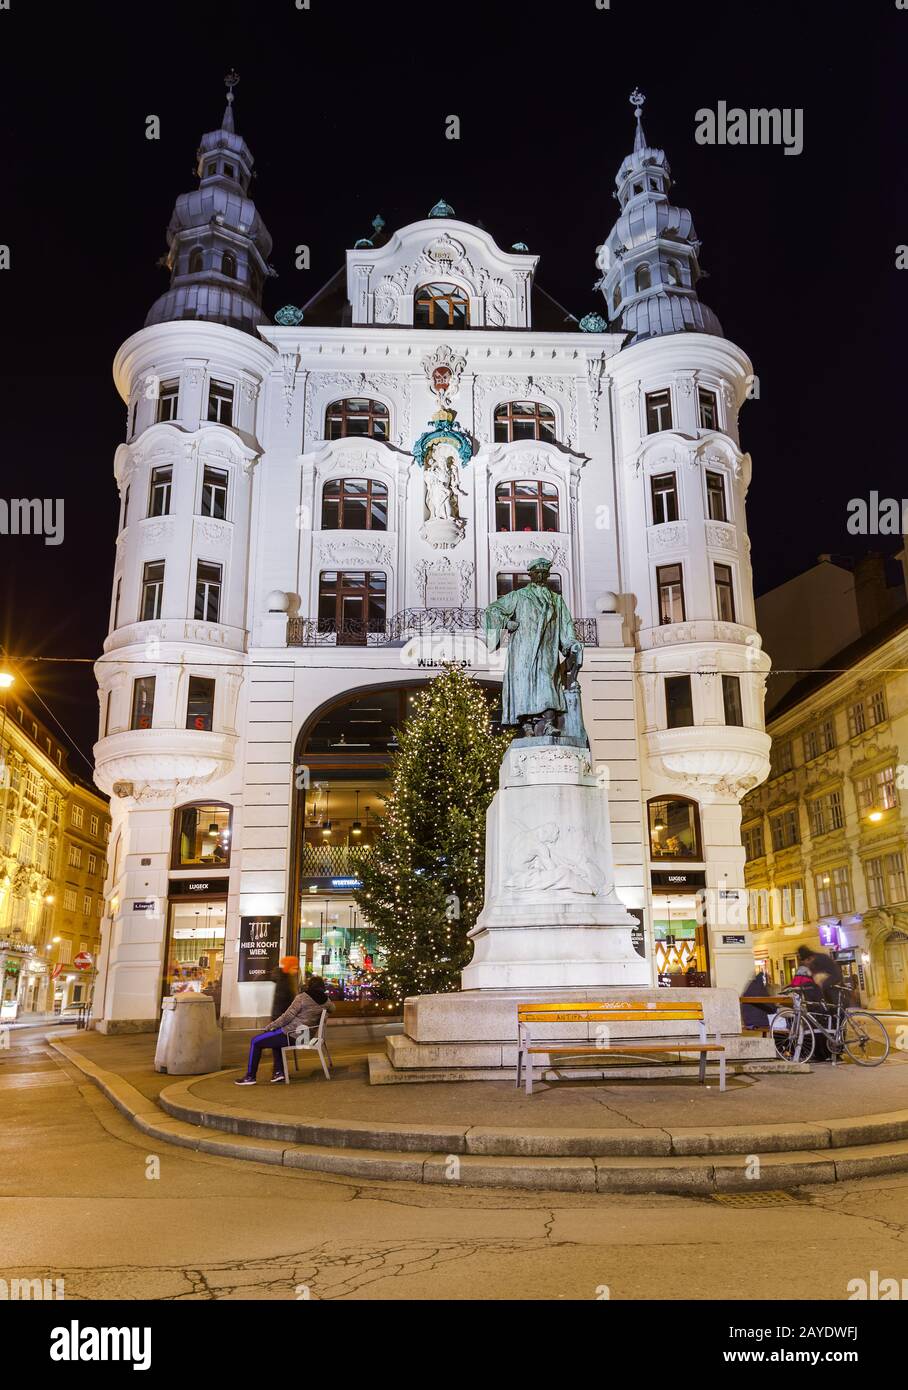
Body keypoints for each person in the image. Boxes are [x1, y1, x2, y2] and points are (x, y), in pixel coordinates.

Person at [234, 976, 335, 1085]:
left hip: (292, 1034)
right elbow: (333, 1008)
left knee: (255, 1041)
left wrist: (270, 1026)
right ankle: (278, 1072)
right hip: (305, 1036)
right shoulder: (326, 1001)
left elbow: (287, 1017)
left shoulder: (302, 997)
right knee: (275, 1040)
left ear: (309, 985)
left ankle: (250, 1077)